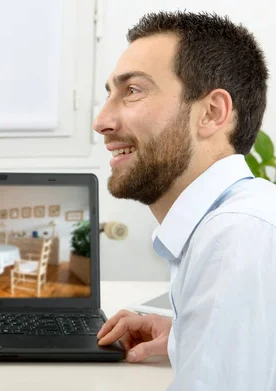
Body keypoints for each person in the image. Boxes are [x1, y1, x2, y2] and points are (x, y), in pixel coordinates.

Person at [93, 11, 276, 390]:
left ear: (211, 113)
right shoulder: (237, 217)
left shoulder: (235, 238)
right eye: (109, 94)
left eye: (132, 91)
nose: (101, 121)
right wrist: (184, 335)